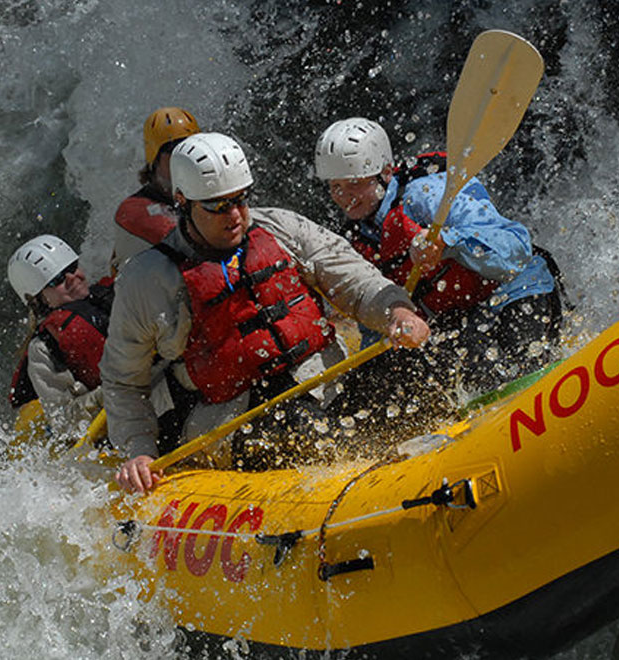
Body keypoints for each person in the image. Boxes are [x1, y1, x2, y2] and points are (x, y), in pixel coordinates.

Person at [101, 132, 430, 493]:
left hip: (319, 387)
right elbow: (123, 381)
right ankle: (380, 489)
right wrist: (139, 450)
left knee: (411, 369)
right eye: (217, 206)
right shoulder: (146, 280)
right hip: (233, 420)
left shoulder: (280, 227)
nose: (235, 216)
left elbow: (355, 280)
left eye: (240, 200)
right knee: (298, 427)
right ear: (182, 201)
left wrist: (397, 313)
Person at [313, 117, 563, 403]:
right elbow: (375, 321)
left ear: (384, 172)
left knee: (512, 365)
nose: (345, 197)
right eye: (336, 186)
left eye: (355, 184)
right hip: (463, 316)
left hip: (516, 293)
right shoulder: (357, 242)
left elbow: (516, 250)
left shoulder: (427, 194)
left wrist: (447, 242)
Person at [7, 235, 177, 444]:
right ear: (38, 299)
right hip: (126, 424)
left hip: (171, 390)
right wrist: (112, 391)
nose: (72, 278)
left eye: (72, 267)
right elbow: (64, 423)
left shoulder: (116, 293)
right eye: (56, 280)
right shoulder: (43, 348)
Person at [111, 106, 201, 273]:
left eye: (191, 148)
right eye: (174, 150)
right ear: (155, 159)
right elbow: (194, 245)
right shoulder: (133, 212)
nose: (185, 158)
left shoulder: (193, 196)